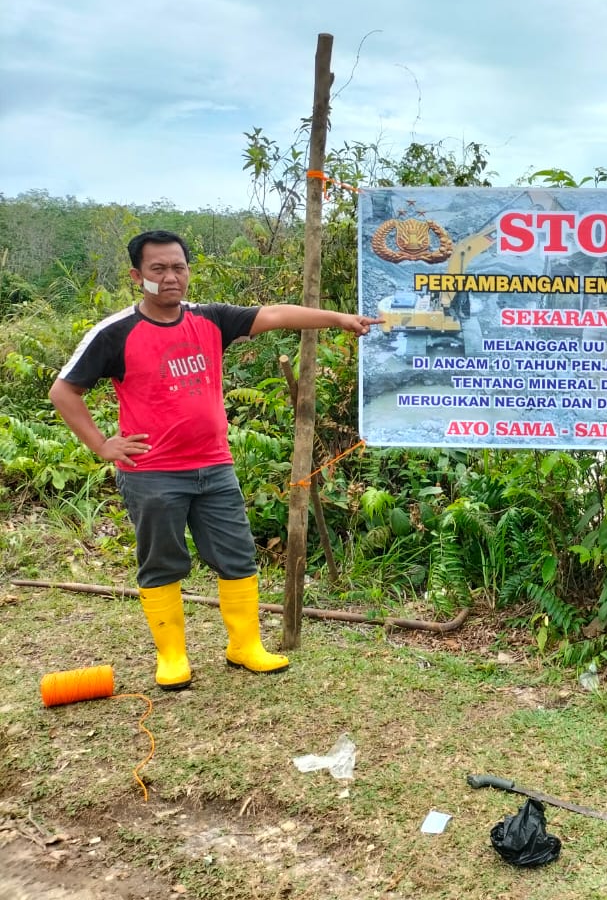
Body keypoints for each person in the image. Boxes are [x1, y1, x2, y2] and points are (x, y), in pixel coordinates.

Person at [49, 230, 382, 691]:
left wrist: (340, 318)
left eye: (178, 267)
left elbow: (277, 314)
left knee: (238, 556)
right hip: (153, 473)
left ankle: (244, 646)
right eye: (158, 269)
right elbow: (64, 391)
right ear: (136, 276)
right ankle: (172, 657)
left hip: (215, 466)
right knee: (163, 561)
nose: (171, 278)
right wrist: (102, 445)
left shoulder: (210, 319)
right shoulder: (115, 333)